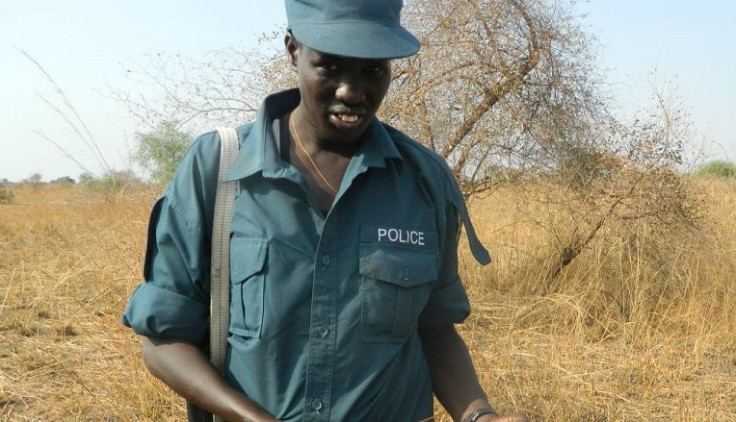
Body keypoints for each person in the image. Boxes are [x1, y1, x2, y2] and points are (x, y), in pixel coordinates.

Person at [122, 0, 529, 421]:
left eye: (372, 70)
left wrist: (480, 414)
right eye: (330, 67)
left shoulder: (423, 179)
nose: (351, 91)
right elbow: (162, 339)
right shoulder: (218, 167)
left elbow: (434, 329)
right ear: (293, 49)